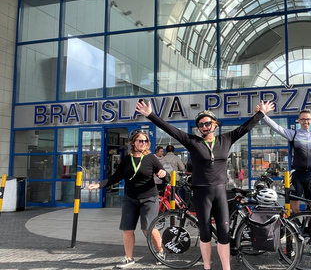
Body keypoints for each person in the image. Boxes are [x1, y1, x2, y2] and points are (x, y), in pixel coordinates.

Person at [136, 100, 275, 270]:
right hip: (201, 193)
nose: (204, 126)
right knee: (205, 233)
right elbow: (170, 129)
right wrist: (150, 115)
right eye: (201, 124)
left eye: (207, 123)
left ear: (214, 124)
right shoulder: (192, 141)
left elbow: (245, 127)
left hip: (220, 192)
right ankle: (207, 267)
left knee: (224, 234)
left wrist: (261, 113)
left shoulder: (226, 139)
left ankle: (226, 268)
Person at [87, 129, 168, 269]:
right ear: (133, 142)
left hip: (149, 198)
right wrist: (99, 185)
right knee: (127, 229)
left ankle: (160, 251)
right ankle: (129, 258)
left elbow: (164, 176)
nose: (143, 143)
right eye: (140, 141)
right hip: (130, 199)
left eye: (145, 141)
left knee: (148, 228)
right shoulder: (126, 159)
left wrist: (163, 174)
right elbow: (115, 177)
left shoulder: (151, 158)